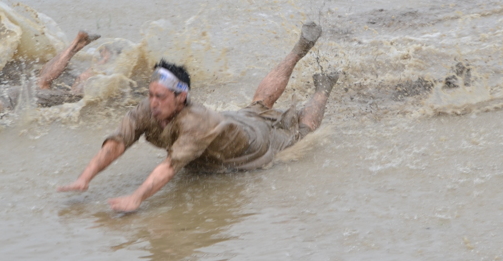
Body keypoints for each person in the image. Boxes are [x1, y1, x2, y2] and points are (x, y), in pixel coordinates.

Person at [58, 22, 340, 213]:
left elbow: (168, 168)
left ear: (181, 97)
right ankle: (299, 48)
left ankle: (323, 88)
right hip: (230, 121)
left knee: (303, 129)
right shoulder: (148, 108)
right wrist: (85, 178)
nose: (153, 103)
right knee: (259, 103)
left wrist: (136, 197)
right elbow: (117, 144)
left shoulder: (195, 123)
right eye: (151, 94)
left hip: (256, 144)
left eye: (161, 98)